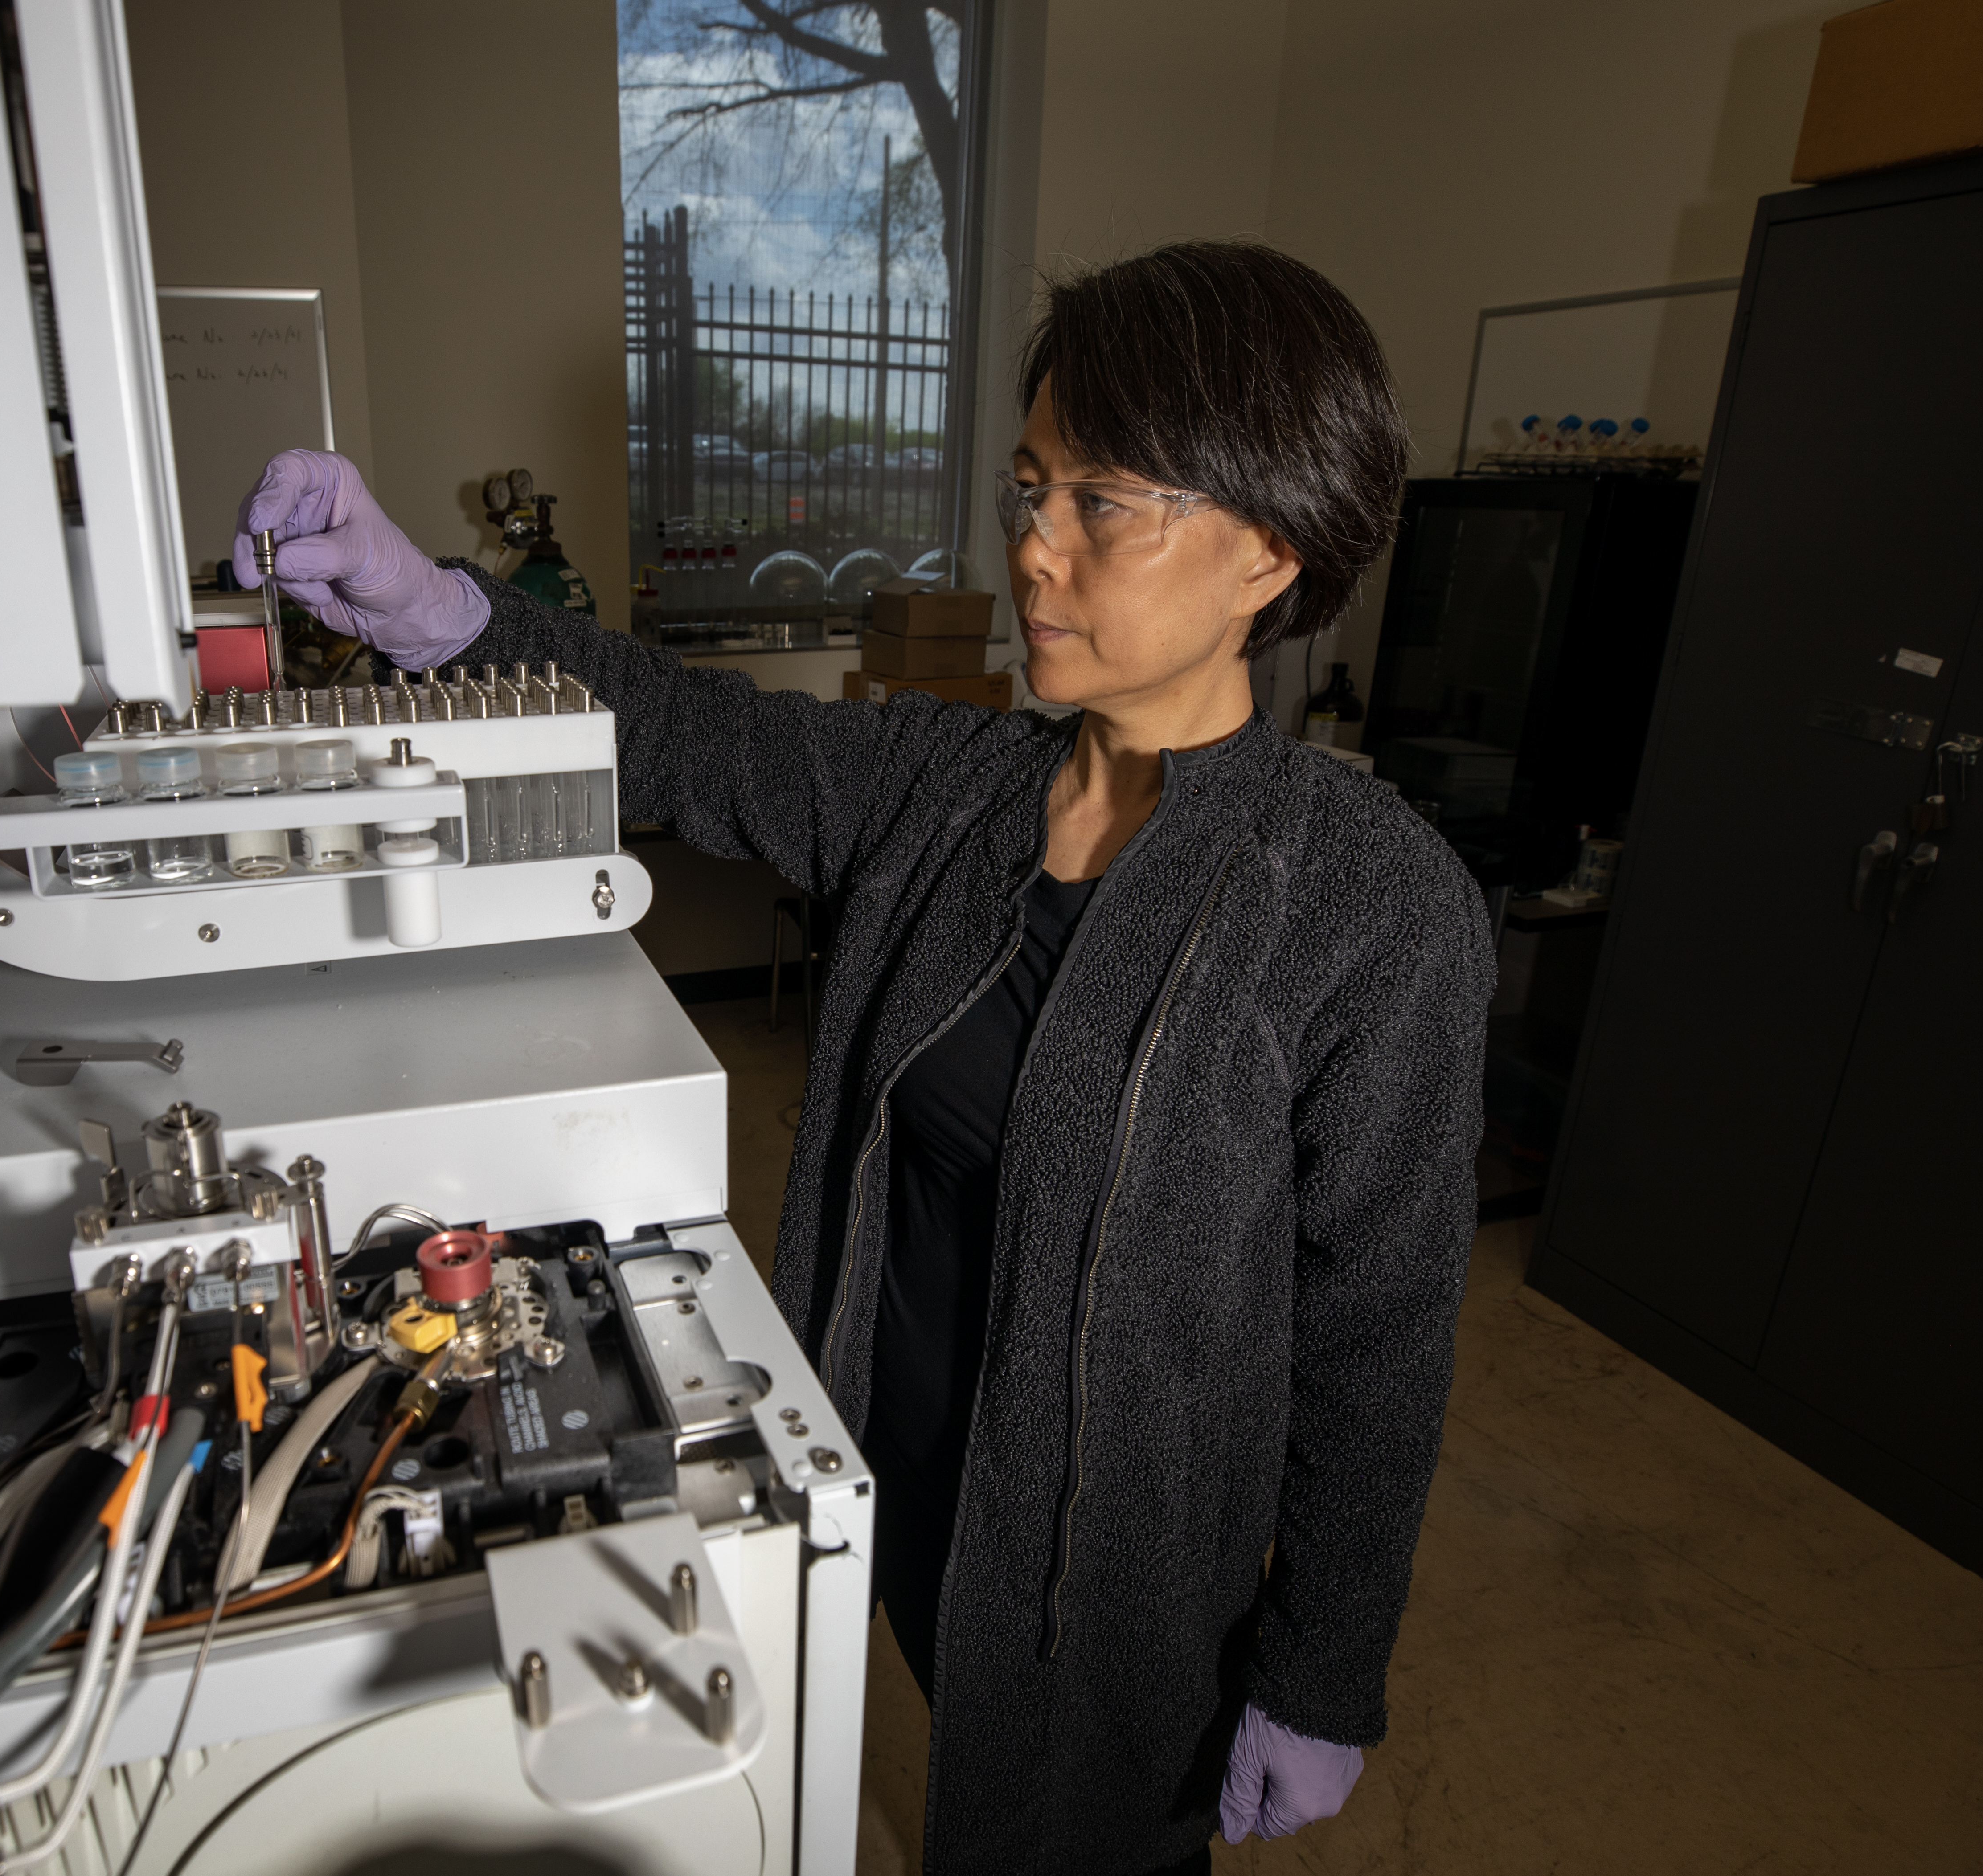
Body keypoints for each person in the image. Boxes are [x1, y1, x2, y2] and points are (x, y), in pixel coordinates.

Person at [231, 241, 1490, 1876]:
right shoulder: (951, 784)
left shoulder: (1369, 908)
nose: (1035, 550)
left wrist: (1325, 1674)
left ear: (1273, 549)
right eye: (1029, 488)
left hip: (1108, 1603)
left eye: (1101, 503)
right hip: (881, 1505)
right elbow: (689, 733)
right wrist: (440, 611)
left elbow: (1379, 1347)